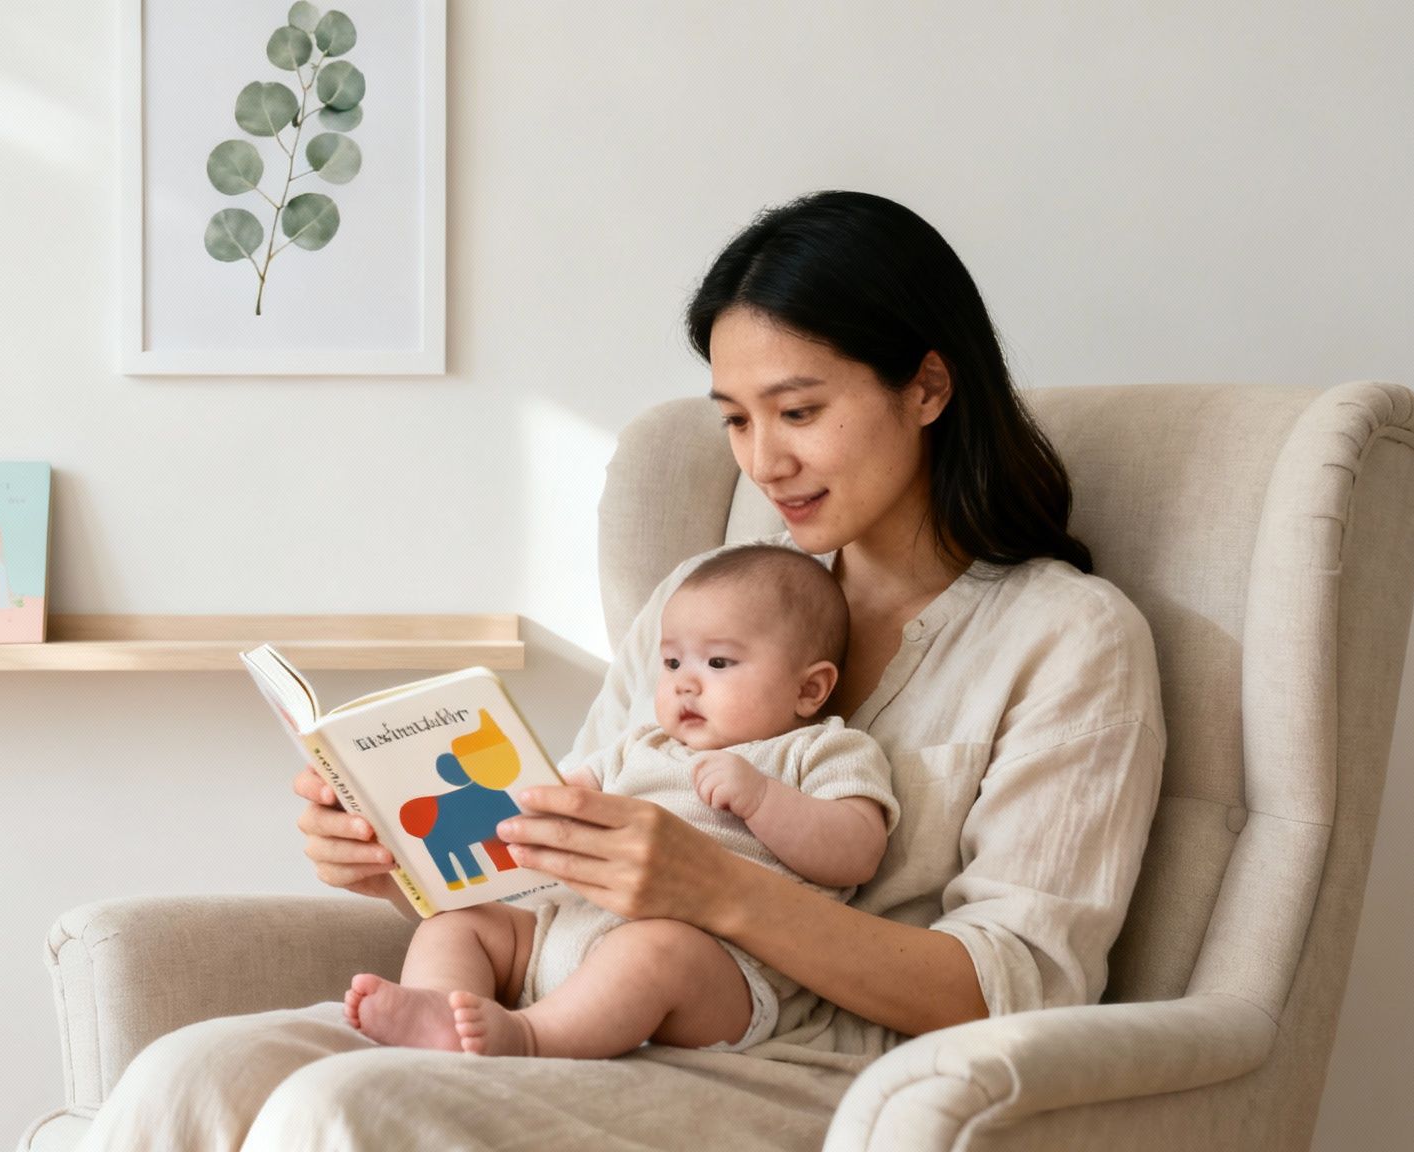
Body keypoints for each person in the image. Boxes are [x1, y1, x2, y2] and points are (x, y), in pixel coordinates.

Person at [77, 190, 1166, 1150]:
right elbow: (574, 850)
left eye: (798, 411)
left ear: (925, 387)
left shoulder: (1066, 638)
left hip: (808, 1067)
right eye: (736, 419)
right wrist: (404, 852)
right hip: (561, 996)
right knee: (184, 1078)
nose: (761, 460)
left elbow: (1017, 989)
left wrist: (716, 892)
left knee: (345, 1114)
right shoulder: (707, 597)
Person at [344, 544, 900, 1059]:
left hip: (719, 970)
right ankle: (440, 1011)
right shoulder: (639, 746)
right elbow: (554, 799)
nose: (685, 683)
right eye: (673, 662)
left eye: (719, 663)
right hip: (559, 934)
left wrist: (763, 800)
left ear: (810, 689)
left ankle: (532, 1037)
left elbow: (856, 851)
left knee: (656, 951)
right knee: (458, 924)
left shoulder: (821, 749)